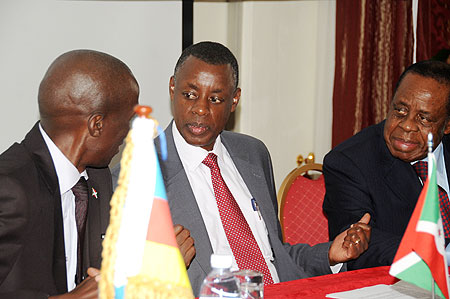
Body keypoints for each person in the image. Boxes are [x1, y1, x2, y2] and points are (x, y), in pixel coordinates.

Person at [113, 41, 371, 296]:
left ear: (234, 100)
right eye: (190, 95)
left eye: (215, 99)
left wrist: (329, 254)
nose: (201, 108)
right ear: (172, 87)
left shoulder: (253, 153)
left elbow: (272, 255)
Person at [0, 49, 139, 298]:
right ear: (97, 125)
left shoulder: (98, 178)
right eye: (127, 121)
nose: (128, 133)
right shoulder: (9, 188)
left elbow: (98, 277)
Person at [323, 60, 450, 270]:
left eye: (424, 118)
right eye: (400, 110)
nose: (407, 125)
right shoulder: (349, 162)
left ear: (447, 125)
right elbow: (356, 246)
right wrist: (438, 260)